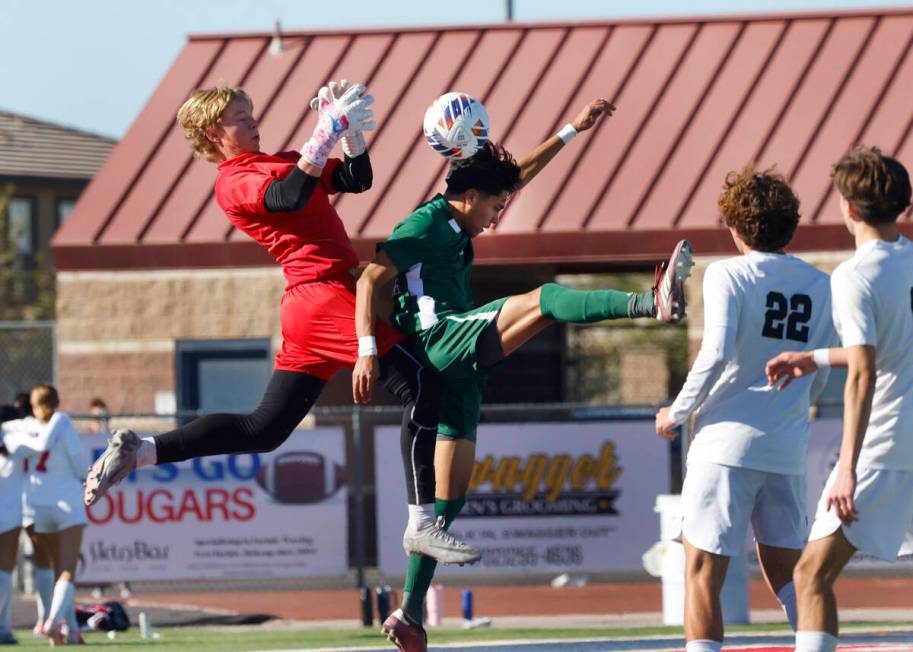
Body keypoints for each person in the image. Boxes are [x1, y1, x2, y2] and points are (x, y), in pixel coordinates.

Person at [84, 83, 478, 566]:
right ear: (214, 132)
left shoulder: (280, 159)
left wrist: (349, 134)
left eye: (250, 111)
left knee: (263, 430)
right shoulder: (233, 180)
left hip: (315, 302)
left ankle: (141, 451)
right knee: (423, 386)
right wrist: (325, 131)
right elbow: (290, 197)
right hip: (323, 296)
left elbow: (357, 179)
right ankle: (421, 525)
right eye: (240, 116)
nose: (253, 120)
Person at [354, 100, 693, 651]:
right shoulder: (425, 222)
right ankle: (646, 301)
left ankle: (410, 615)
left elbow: (514, 177)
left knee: (448, 499)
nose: (498, 214)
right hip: (441, 342)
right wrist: (367, 349)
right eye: (492, 205)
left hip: (455, 372)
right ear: (467, 197)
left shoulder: (461, 214)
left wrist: (569, 131)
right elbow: (369, 279)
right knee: (546, 300)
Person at [654, 166, 836, 652]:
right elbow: (820, 368)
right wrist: (797, 412)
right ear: (790, 226)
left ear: (734, 227)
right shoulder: (822, 284)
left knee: (700, 573)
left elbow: (715, 352)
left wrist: (676, 411)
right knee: (792, 574)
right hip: (786, 447)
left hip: (726, 446)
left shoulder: (728, 274)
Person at [765, 146, 913, 652]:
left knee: (810, 574)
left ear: (848, 208)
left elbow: (867, 372)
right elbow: (889, 349)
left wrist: (847, 465)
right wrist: (818, 358)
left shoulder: (855, 275)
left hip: (887, 444)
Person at [2, 385, 88, 645]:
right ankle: (54, 622)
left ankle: (64, 628)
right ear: (57, 401)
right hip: (66, 503)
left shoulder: (19, 427)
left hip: (35, 505)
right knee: (65, 571)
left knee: (45, 565)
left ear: (31, 403)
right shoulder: (62, 423)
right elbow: (81, 467)